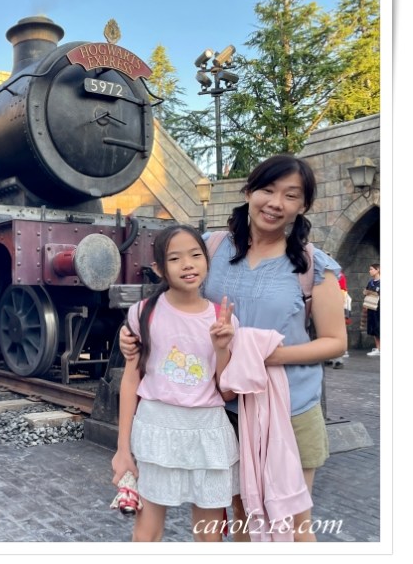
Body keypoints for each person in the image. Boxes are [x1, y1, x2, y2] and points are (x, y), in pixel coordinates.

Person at [120, 154, 346, 542]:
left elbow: (336, 342)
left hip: (290, 407)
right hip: (226, 410)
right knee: (243, 517)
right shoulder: (210, 247)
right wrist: (134, 334)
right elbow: (176, 300)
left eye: (291, 195)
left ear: (303, 205)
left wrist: (265, 355)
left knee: (293, 523)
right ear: (248, 192)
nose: (275, 203)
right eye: (267, 190)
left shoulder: (313, 265)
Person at [111, 225, 240, 542]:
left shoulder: (222, 318)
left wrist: (222, 347)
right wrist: (123, 449)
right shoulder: (144, 313)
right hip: (157, 428)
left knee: (209, 538)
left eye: (196, 255)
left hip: (208, 431)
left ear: (207, 260)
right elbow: (130, 380)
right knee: (146, 535)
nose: (188, 265)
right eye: (175, 258)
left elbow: (226, 390)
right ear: (159, 269)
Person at [364, 263, 380, 356]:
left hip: (379, 308)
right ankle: (378, 348)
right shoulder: (370, 282)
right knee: (373, 328)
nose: (370, 271)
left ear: (377, 270)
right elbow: (366, 292)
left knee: (379, 327)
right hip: (371, 307)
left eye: (371, 269)